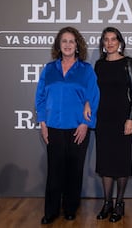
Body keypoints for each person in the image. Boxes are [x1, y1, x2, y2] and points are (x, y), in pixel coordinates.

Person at [35, 26, 100, 225]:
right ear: (59, 45)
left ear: (77, 45)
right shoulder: (49, 69)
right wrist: (42, 123)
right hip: (53, 127)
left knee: (74, 171)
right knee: (55, 172)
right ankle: (51, 211)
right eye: (64, 41)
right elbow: (40, 98)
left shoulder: (86, 70)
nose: (68, 45)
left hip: (77, 128)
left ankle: (71, 208)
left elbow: (94, 97)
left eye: (72, 41)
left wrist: (85, 124)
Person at [85, 27, 132, 222]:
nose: (109, 43)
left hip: (122, 119)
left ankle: (119, 203)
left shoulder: (128, 63)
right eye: (106, 39)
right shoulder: (99, 65)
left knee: (121, 162)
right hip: (103, 119)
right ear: (102, 43)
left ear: (120, 42)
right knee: (105, 162)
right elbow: (93, 91)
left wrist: (131, 118)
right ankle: (107, 202)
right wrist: (87, 104)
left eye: (113, 39)